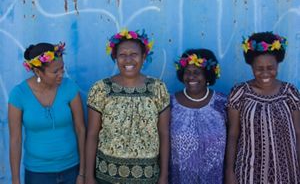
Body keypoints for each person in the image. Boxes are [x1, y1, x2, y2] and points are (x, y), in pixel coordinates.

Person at [85, 29, 170, 184]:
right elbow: (92, 134)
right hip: (107, 175)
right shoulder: (101, 89)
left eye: (134, 54)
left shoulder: (158, 89)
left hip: (148, 177)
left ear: (144, 57)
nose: (128, 60)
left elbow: (164, 134)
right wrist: (89, 177)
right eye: (122, 55)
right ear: (115, 58)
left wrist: (164, 176)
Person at [225, 32, 300, 184]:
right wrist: (229, 171)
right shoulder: (240, 92)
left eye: (270, 67)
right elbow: (233, 134)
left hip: (288, 171)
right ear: (251, 67)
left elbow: (298, 132)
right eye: (259, 68)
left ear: (277, 65)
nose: (265, 73)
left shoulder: (289, 92)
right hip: (250, 172)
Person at [8, 42, 86, 184]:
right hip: (37, 173)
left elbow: (81, 129)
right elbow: (15, 140)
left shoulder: (69, 88)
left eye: (62, 69)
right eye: (55, 71)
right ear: (38, 72)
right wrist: (15, 180)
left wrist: (82, 173)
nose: (61, 74)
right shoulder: (19, 95)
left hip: (71, 169)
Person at [169, 49, 227, 184]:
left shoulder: (222, 103)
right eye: (187, 72)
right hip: (179, 178)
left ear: (207, 75)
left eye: (197, 73)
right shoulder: (170, 103)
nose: (191, 77)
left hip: (215, 178)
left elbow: (233, 139)